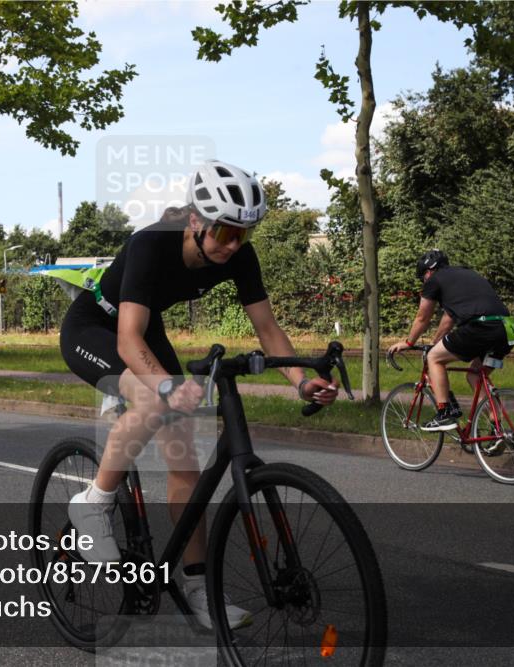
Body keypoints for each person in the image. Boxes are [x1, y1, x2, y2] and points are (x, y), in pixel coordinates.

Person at [59, 160, 339, 629]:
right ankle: (93, 502)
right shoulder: (151, 244)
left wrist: (300, 381)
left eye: (242, 236)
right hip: (96, 326)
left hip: (147, 326)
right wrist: (165, 385)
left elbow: (268, 329)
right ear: (196, 220)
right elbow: (128, 340)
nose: (233, 246)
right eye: (225, 233)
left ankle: (196, 587)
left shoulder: (240, 257)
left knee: (184, 454)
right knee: (154, 400)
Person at [387, 250, 514, 432]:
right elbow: (449, 317)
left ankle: (444, 414)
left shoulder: (434, 280)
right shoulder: (467, 274)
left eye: (423, 277)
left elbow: (422, 317)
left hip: (481, 327)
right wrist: (437, 342)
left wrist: (408, 343)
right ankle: (499, 430)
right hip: (508, 330)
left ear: (429, 271)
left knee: (434, 358)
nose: (424, 281)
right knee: (475, 374)